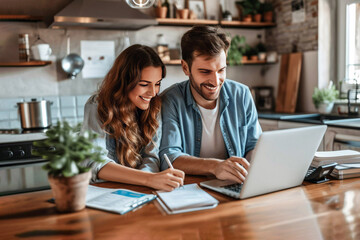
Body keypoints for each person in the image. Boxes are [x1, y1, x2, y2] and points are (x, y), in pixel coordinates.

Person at [159, 26, 262, 184]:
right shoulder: (170, 100)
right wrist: (216, 166)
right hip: (191, 189)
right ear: (186, 68)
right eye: (205, 72)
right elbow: (169, 157)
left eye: (221, 70)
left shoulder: (242, 94)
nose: (215, 81)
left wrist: (251, 167)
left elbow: (254, 145)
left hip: (235, 184)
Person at [81, 44, 184, 191]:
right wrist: (148, 179)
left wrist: (148, 180)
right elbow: (94, 162)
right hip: (104, 191)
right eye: (144, 84)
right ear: (124, 82)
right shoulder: (97, 105)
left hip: (138, 190)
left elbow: (151, 157)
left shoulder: (154, 107)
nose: (153, 92)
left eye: (157, 84)